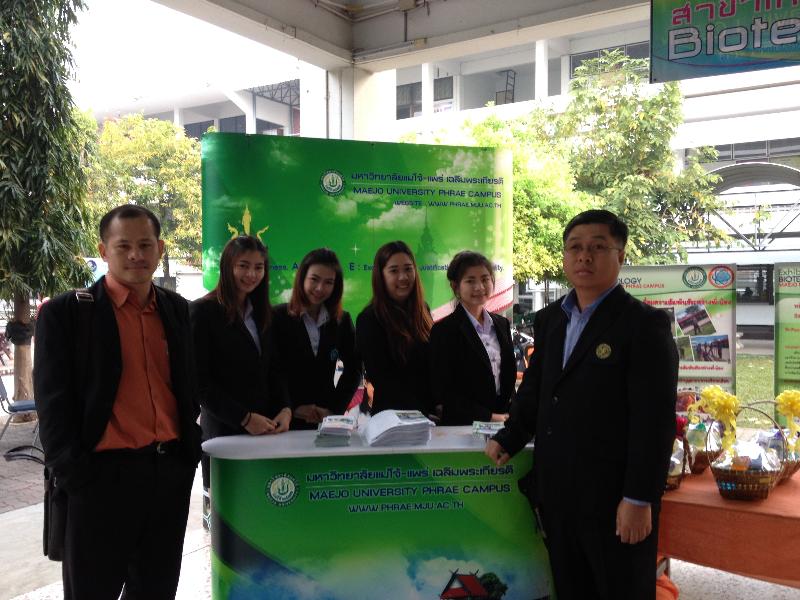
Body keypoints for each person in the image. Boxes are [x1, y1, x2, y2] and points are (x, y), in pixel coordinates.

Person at [485, 210, 678, 600]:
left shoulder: (643, 325)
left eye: (597, 247)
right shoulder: (552, 319)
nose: (584, 256)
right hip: (558, 493)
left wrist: (639, 498)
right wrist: (511, 435)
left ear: (620, 255)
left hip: (614, 499)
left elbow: (654, 421)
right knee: (571, 589)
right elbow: (538, 387)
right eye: (574, 247)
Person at [34, 205, 202, 600]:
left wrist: (185, 456)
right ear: (103, 250)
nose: (136, 255)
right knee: (93, 592)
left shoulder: (176, 309)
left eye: (145, 245)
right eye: (123, 246)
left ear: (160, 248)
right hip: (100, 479)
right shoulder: (68, 313)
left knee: (156, 590)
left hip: (168, 474)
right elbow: (52, 403)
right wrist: (75, 474)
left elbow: (186, 385)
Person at [190, 236, 291, 524]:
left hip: (267, 431)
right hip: (224, 433)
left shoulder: (262, 312)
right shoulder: (202, 311)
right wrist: (244, 418)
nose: (251, 274)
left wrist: (285, 407)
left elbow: (275, 368)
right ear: (227, 267)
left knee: (263, 516)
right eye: (243, 266)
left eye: (258, 267)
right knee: (227, 524)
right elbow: (199, 382)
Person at [272, 248, 361, 429]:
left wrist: (333, 409)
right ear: (302, 278)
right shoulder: (277, 317)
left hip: (326, 420)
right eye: (314, 279)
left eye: (328, 282)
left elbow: (353, 370)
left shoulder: (342, 321)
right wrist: (291, 407)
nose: (320, 288)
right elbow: (272, 370)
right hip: (283, 421)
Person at [430, 251, 516, 425]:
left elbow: (507, 378)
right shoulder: (444, 331)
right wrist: (490, 417)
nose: (479, 287)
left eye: (485, 279)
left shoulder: (501, 325)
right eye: (470, 281)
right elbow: (444, 392)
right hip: (463, 426)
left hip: (503, 423)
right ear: (455, 287)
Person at [356, 241, 433, 415]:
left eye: (408, 269)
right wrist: (421, 411)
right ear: (381, 276)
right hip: (392, 418)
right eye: (394, 271)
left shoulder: (424, 310)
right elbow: (383, 380)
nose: (403, 277)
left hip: (428, 416)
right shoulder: (369, 319)